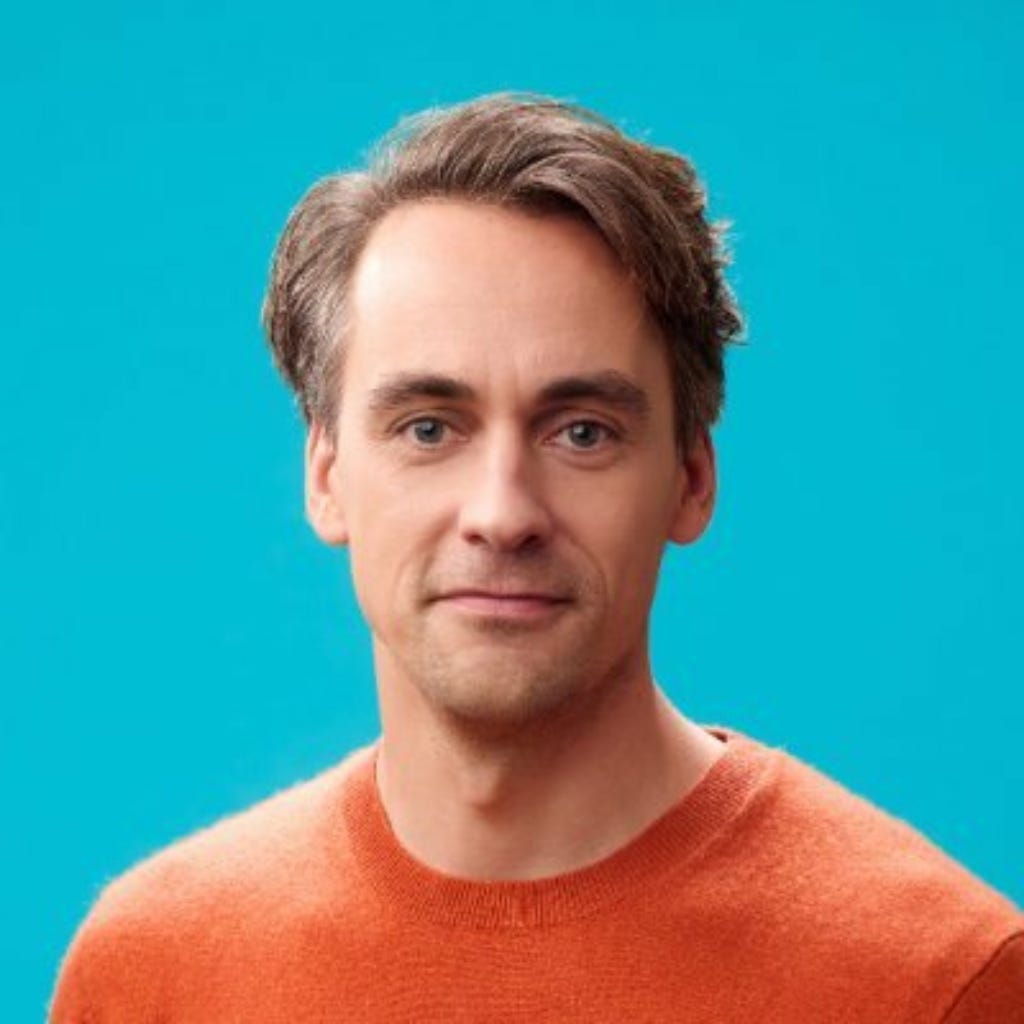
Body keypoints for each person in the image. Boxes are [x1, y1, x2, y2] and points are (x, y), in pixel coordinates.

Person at [50, 93, 1022, 1023]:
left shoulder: (939, 980)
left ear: (690, 480)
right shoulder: (152, 973)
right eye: (429, 427)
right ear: (327, 475)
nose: (502, 513)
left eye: (582, 432)